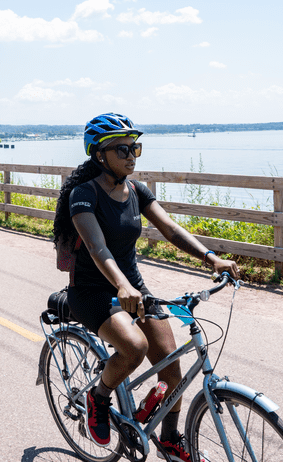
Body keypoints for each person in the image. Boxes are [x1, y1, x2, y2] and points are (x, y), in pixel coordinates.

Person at [53, 113, 239, 461]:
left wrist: (211, 257)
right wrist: (122, 286)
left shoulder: (137, 190)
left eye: (135, 147)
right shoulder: (83, 195)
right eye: (122, 148)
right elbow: (97, 248)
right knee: (135, 347)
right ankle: (100, 396)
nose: (131, 155)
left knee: (171, 364)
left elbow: (171, 229)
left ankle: (169, 436)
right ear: (99, 155)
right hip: (93, 292)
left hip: (134, 290)